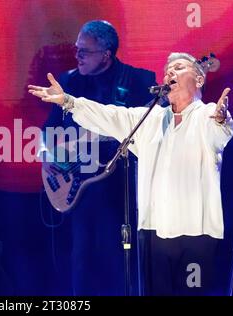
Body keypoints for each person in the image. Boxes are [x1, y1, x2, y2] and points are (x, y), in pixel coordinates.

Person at [29, 52, 233, 295]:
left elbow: (220, 130)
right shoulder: (150, 119)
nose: (170, 73)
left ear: (199, 80)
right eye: (167, 69)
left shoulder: (206, 115)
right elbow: (109, 115)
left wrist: (221, 119)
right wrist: (69, 102)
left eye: (178, 68)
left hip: (195, 234)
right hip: (153, 232)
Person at [40, 20, 156, 295]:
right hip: (80, 188)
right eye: (76, 49)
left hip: (122, 186)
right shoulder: (68, 81)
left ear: (106, 54)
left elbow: (150, 127)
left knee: (119, 259)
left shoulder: (138, 81)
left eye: (84, 51)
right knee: (82, 260)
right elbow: (48, 129)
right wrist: (45, 154)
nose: (77, 56)